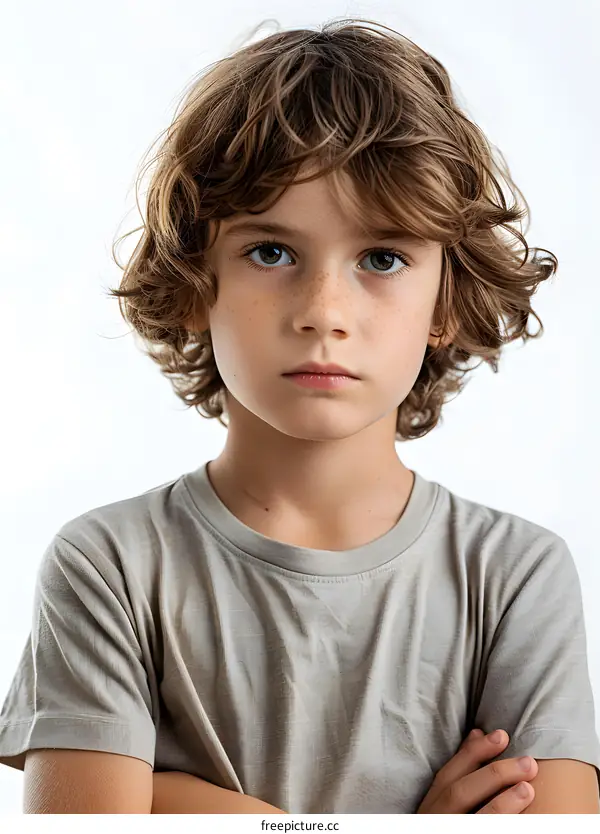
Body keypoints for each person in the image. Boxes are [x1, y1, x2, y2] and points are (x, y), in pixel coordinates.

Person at [0, 18, 599, 815]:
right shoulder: (109, 566)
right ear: (193, 280)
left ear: (445, 300)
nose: (324, 312)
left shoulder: (515, 578)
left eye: (383, 258)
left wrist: (179, 803)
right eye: (271, 252)